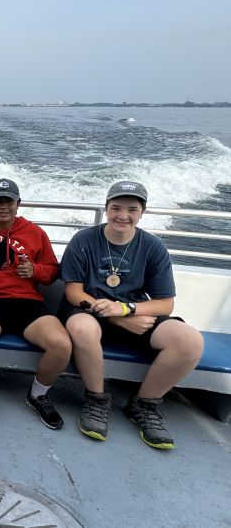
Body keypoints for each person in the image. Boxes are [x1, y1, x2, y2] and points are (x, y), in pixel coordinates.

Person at [59, 181, 203, 450]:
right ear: (106, 209)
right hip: (88, 309)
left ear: (142, 213)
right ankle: (96, 399)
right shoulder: (84, 240)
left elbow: (164, 304)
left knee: (189, 341)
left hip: (134, 312)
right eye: (115, 208)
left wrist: (126, 310)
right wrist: (111, 314)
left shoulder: (152, 247)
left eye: (131, 209)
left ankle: (144, 405)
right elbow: (74, 293)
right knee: (82, 329)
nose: (122, 215)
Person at [0, 179, 72, 429]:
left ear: (18, 204)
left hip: (28, 303)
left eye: (8, 201)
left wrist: (34, 270)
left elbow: (52, 272)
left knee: (61, 344)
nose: (3, 206)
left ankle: (38, 394)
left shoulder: (36, 233)